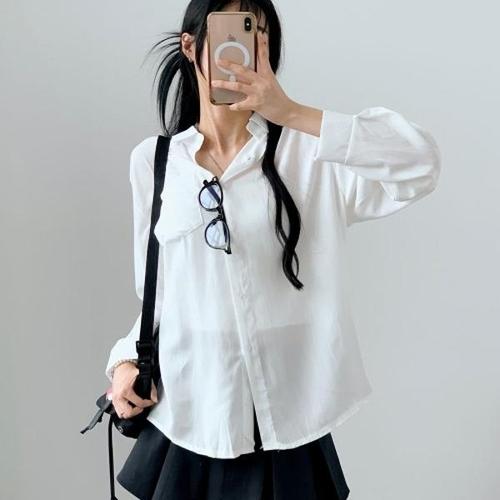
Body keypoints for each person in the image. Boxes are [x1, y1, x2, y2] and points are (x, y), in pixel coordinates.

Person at [104, 0, 441, 498]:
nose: (245, 46)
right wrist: (123, 362)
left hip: (288, 426)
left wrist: (292, 113)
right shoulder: (154, 164)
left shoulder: (310, 153)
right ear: (191, 47)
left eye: (257, 32)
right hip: (191, 421)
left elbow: (421, 164)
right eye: (231, 32)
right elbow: (161, 296)